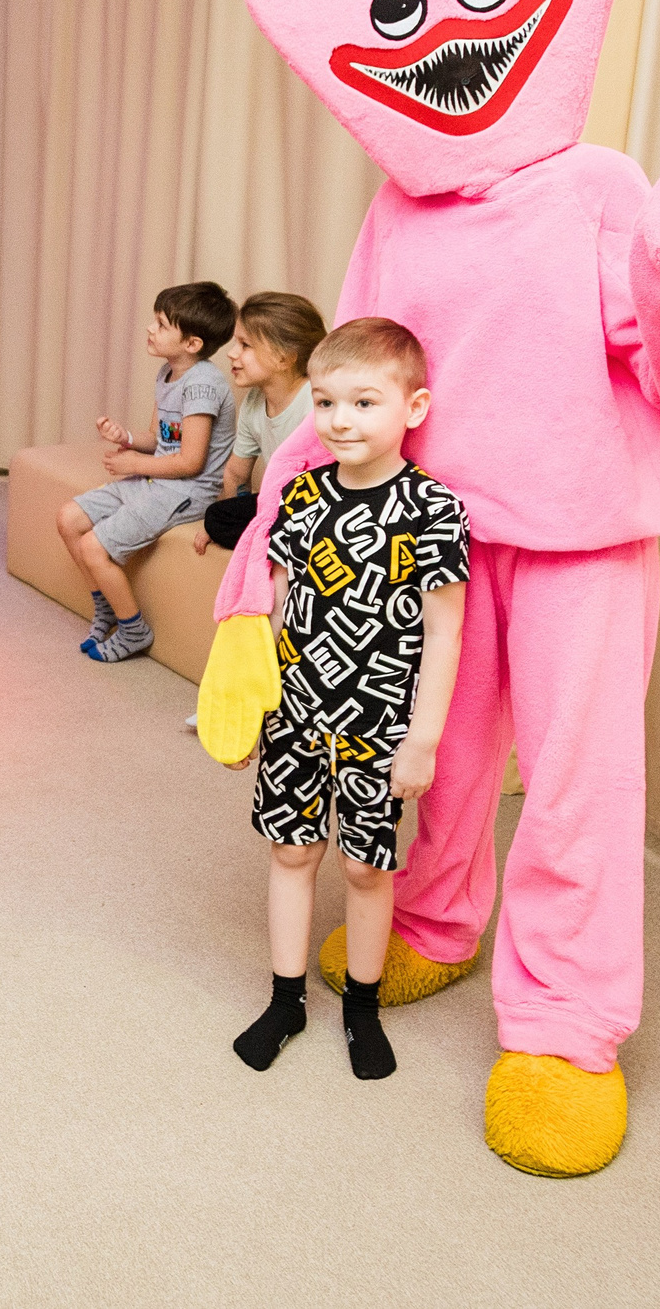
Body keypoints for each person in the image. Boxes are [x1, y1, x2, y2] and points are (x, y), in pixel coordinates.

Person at [231, 318, 467, 1083]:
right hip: (297, 714)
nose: (340, 420)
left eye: (364, 402)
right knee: (292, 851)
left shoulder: (433, 509)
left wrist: (423, 737)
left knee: (368, 869)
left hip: (380, 727)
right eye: (326, 402)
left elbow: (445, 632)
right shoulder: (300, 497)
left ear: (414, 407)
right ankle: (286, 998)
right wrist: (246, 705)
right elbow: (270, 608)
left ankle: (361, 1007)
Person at [54, 281, 237, 664]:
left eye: (161, 324)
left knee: (94, 545)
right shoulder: (168, 374)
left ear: (193, 343)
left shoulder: (202, 385)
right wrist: (127, 437)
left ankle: (134, 629)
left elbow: (190, 462)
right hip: (158, 479)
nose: (150, 329)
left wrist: (133, 464)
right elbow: (161, 440)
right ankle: (105, 606)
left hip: (186, 490)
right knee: (68, 519)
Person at [194, 291, 326, 553]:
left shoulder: (314, 402)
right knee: (217, 516)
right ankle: (266, 542)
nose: (232, 354)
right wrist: (233, 517)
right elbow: (236, 474)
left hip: (318, 506)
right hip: (279, 504)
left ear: (284, 358)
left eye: (245, 345)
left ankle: (274, 544)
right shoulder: (253, 402)